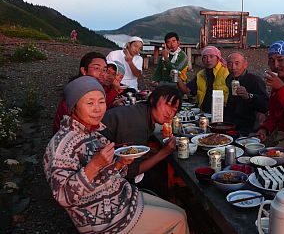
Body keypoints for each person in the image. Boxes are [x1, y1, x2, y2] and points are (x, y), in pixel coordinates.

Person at [43, 76, 189, 234]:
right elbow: (63, 197)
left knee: (181, 212)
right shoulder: (60, 146)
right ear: (74, 106)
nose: (98, 109)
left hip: (122, 196)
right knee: (178, 220)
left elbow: (112, 172)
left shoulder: (94, 133)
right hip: (103, 218)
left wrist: (119, 163)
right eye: (90, 103)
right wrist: (94, 165)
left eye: (101, 102)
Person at [101, 85, 181, 189]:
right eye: (168, 104)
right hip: (100, 177)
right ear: (152, 99)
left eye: (174, 110)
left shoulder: (142, 111)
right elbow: (130, 171)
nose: (170, 112)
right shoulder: (137, 122)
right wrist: (164, 152)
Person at [52, 52, 108, 134]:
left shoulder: (97, 89)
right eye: (96, 68)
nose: (103, 74)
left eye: (105, 70)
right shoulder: (73, 97)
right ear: (84, 71)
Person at [224, 52, 268, 134]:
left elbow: (265, 105)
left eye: (237, 64)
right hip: (230, 124)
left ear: (245, 65)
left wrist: (249, 96)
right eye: (230, 64)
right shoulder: (228, 79)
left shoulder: (254, 80)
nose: (233, 67)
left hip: (248, 126)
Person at [177, 46, 229, 113]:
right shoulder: (201, 74)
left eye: (211, 56)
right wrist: (178, 78)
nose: (208, 60)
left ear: (218, 58)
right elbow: (186, 90)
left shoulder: (226, 72)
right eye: (205, 57)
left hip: (222, 112)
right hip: (203, 112)